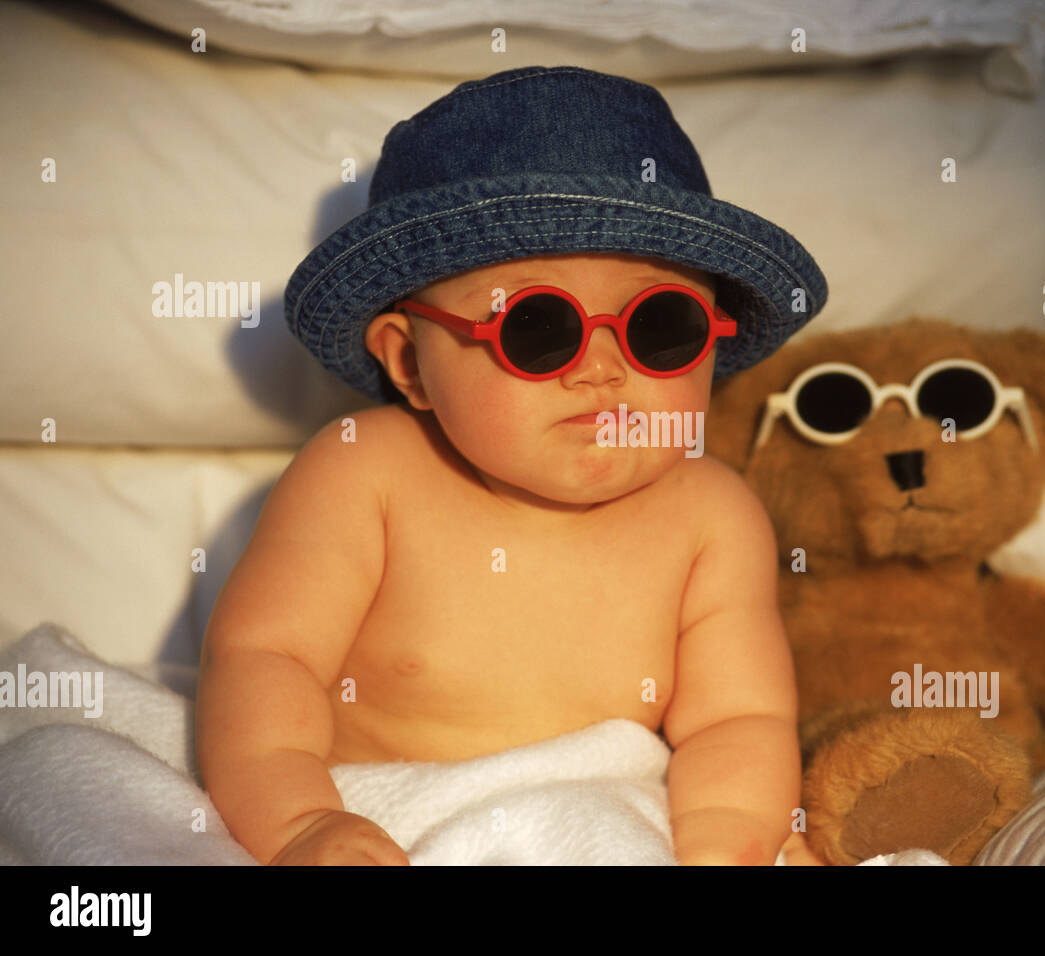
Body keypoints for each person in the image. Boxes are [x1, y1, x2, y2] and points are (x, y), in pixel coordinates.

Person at [196, 65, 828, 866]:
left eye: (660, 326)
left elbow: (737, 723)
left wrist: (728, 843)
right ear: (412, 365)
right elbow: (265, 659)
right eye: (538, 330)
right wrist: (300, 823)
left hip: (612, 821)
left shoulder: (713, 515)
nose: (601, 369)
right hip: (383, 816)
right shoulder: (363, 474)